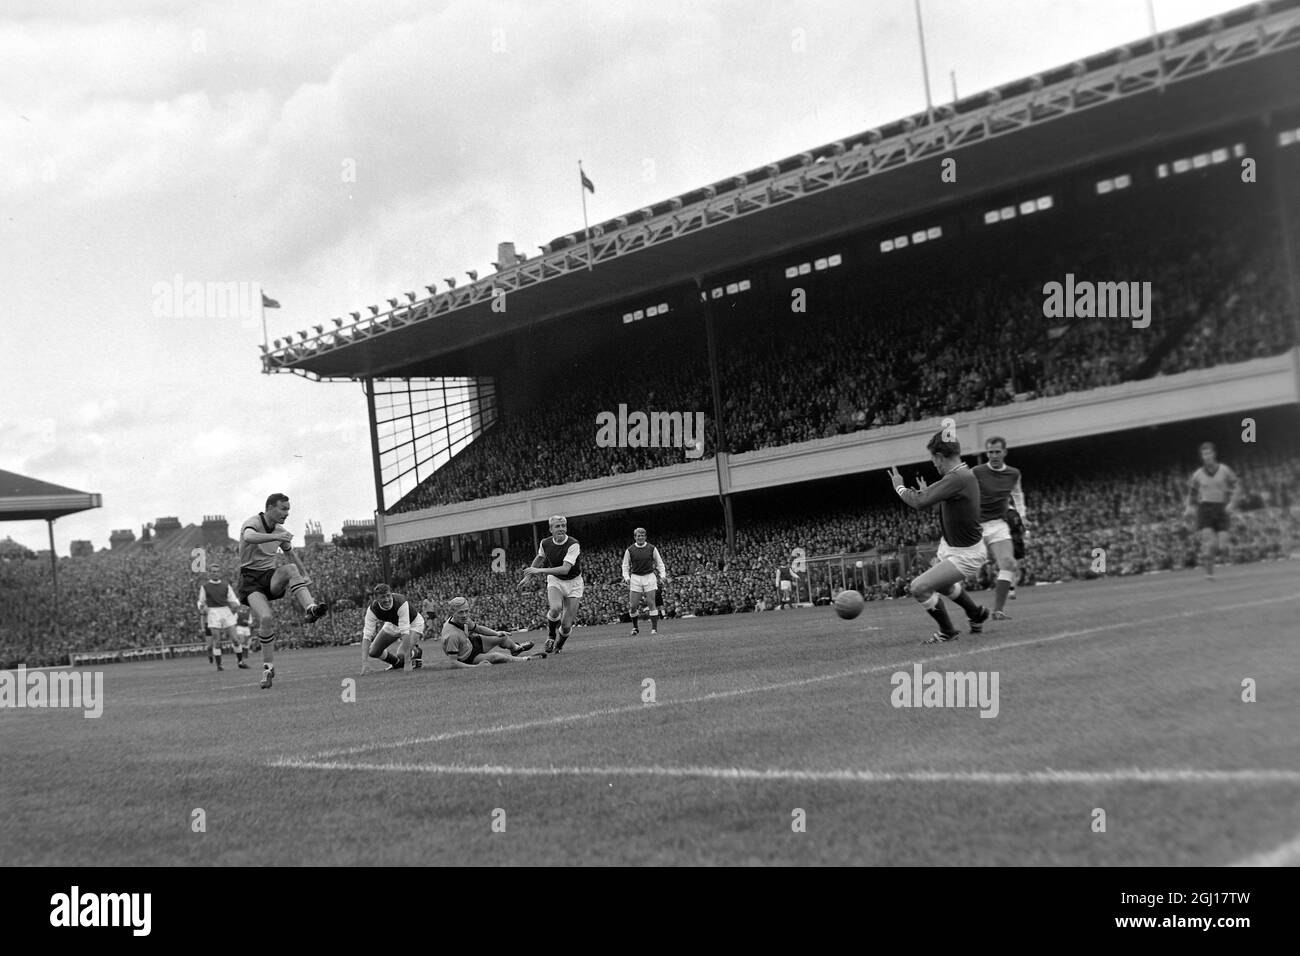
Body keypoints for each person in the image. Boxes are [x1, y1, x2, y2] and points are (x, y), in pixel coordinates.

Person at [887, 430, 990, 644]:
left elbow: (918, 502)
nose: (934, 464)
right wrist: (930, 498)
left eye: (933, 459)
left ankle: (947, 632)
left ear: (940, 456)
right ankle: (976, 613)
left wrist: (898, 485)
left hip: (965, 554)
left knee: (919, 587)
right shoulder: (962, 476)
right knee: (942, 585)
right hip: (956, 547)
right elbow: (936, 508)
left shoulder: (957, 477)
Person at [237, 493, 329, 689]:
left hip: (270, 576)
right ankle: (268, 669)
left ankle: (310, 608)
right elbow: (249, 537)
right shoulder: (253, 523)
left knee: (291, 569)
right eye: (283, 508)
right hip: (250, 580)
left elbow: (290, 553)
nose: (287, 513)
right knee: (266, 618)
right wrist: (276, 536)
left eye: (288, 509)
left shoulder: (280, 531)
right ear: (270, 508)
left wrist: (304, 574)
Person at [971, 436, 1028, 620]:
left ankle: (998, 611)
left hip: (998, 525)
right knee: (961, 571)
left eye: (997, 451)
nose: (993, 455)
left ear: (1004, 452)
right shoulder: (976, 472)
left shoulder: (1013, 473)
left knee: (1009, 563)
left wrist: (1023, 516)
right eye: (990, 452)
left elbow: (1018, 495)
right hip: (975, 526)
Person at [522, 515, 583, 654]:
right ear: (551, 529)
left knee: (566, 625)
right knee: (555, 608)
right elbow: (540, 557)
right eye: (557, 526)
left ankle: (559, 646)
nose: (561, 529)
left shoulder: (573, 544)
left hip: (574, 583)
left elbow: (565, 568)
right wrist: (528, 576)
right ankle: (551, 636)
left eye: (563, 526)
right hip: (555, 580)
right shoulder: (545, 543)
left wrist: (539, 571)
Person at [1184, 441, 1241, 579]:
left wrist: (1232, 503)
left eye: (1209, 453)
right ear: (1202, 457)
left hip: (1221, 508)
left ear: (1214, 454)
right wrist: (1188, 508)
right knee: (1211, 543)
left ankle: (1216, 558)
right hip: (1206, 509)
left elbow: (1238, 486)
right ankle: (1209, 574)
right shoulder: (1197, 474)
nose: (1207, 456)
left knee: (1223, 546)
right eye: (1204, 454)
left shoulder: (1224, 470)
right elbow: (1192, 493)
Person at [440, 596, 539, 666]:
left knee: (502, 637)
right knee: (496, 657)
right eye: (461, 612)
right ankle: (525, 659)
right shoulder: (451, 634)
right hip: (467, 657)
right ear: (452, 612)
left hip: (470, 642)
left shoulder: (463, 619)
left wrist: (496, 633)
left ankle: (516, 649)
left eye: (467, 611)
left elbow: (478, 628)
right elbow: (453, 662)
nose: (465, 615)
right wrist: (476, 667)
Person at [360, 584, 425, 674]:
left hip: (413, 624)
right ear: (376, 598)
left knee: (402, 654)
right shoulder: (372, 610)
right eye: (383, 597)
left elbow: (405, 631)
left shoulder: (400, 603)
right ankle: (397, 663)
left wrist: (407, 662)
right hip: (393, 624)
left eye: (388, 596)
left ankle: (417, 652)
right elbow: (367, 636)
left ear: (391, 594)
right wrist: (365, 663)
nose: (387, 599)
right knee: (373, 651)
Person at [622, 527, 668, 636]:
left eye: (642, 535)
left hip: (649, 577)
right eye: (638, 535)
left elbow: (660, 563)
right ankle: (635, 627)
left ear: (645, 537)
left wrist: (663, 575)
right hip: (636, 578)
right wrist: (626, 577)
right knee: (633, 606)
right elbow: (625, 565)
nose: (640, 537)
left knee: (652, 603)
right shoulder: (630, 550)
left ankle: (654, 629)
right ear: (635, 537)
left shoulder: (652, 548)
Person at [196, 562, 241, 670]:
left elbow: (233, 599)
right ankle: (219, 665)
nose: (215, 573)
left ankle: (241, 661)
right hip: (213, 612)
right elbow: (200, 601)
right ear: (210, 573)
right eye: (213, 572)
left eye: (217, 572)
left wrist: (236, 605)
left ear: (220, 573)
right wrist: (202, 606)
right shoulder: (205, 587)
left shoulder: (226, 585)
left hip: (226, 611)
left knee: (235, 638)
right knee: (217, 639)